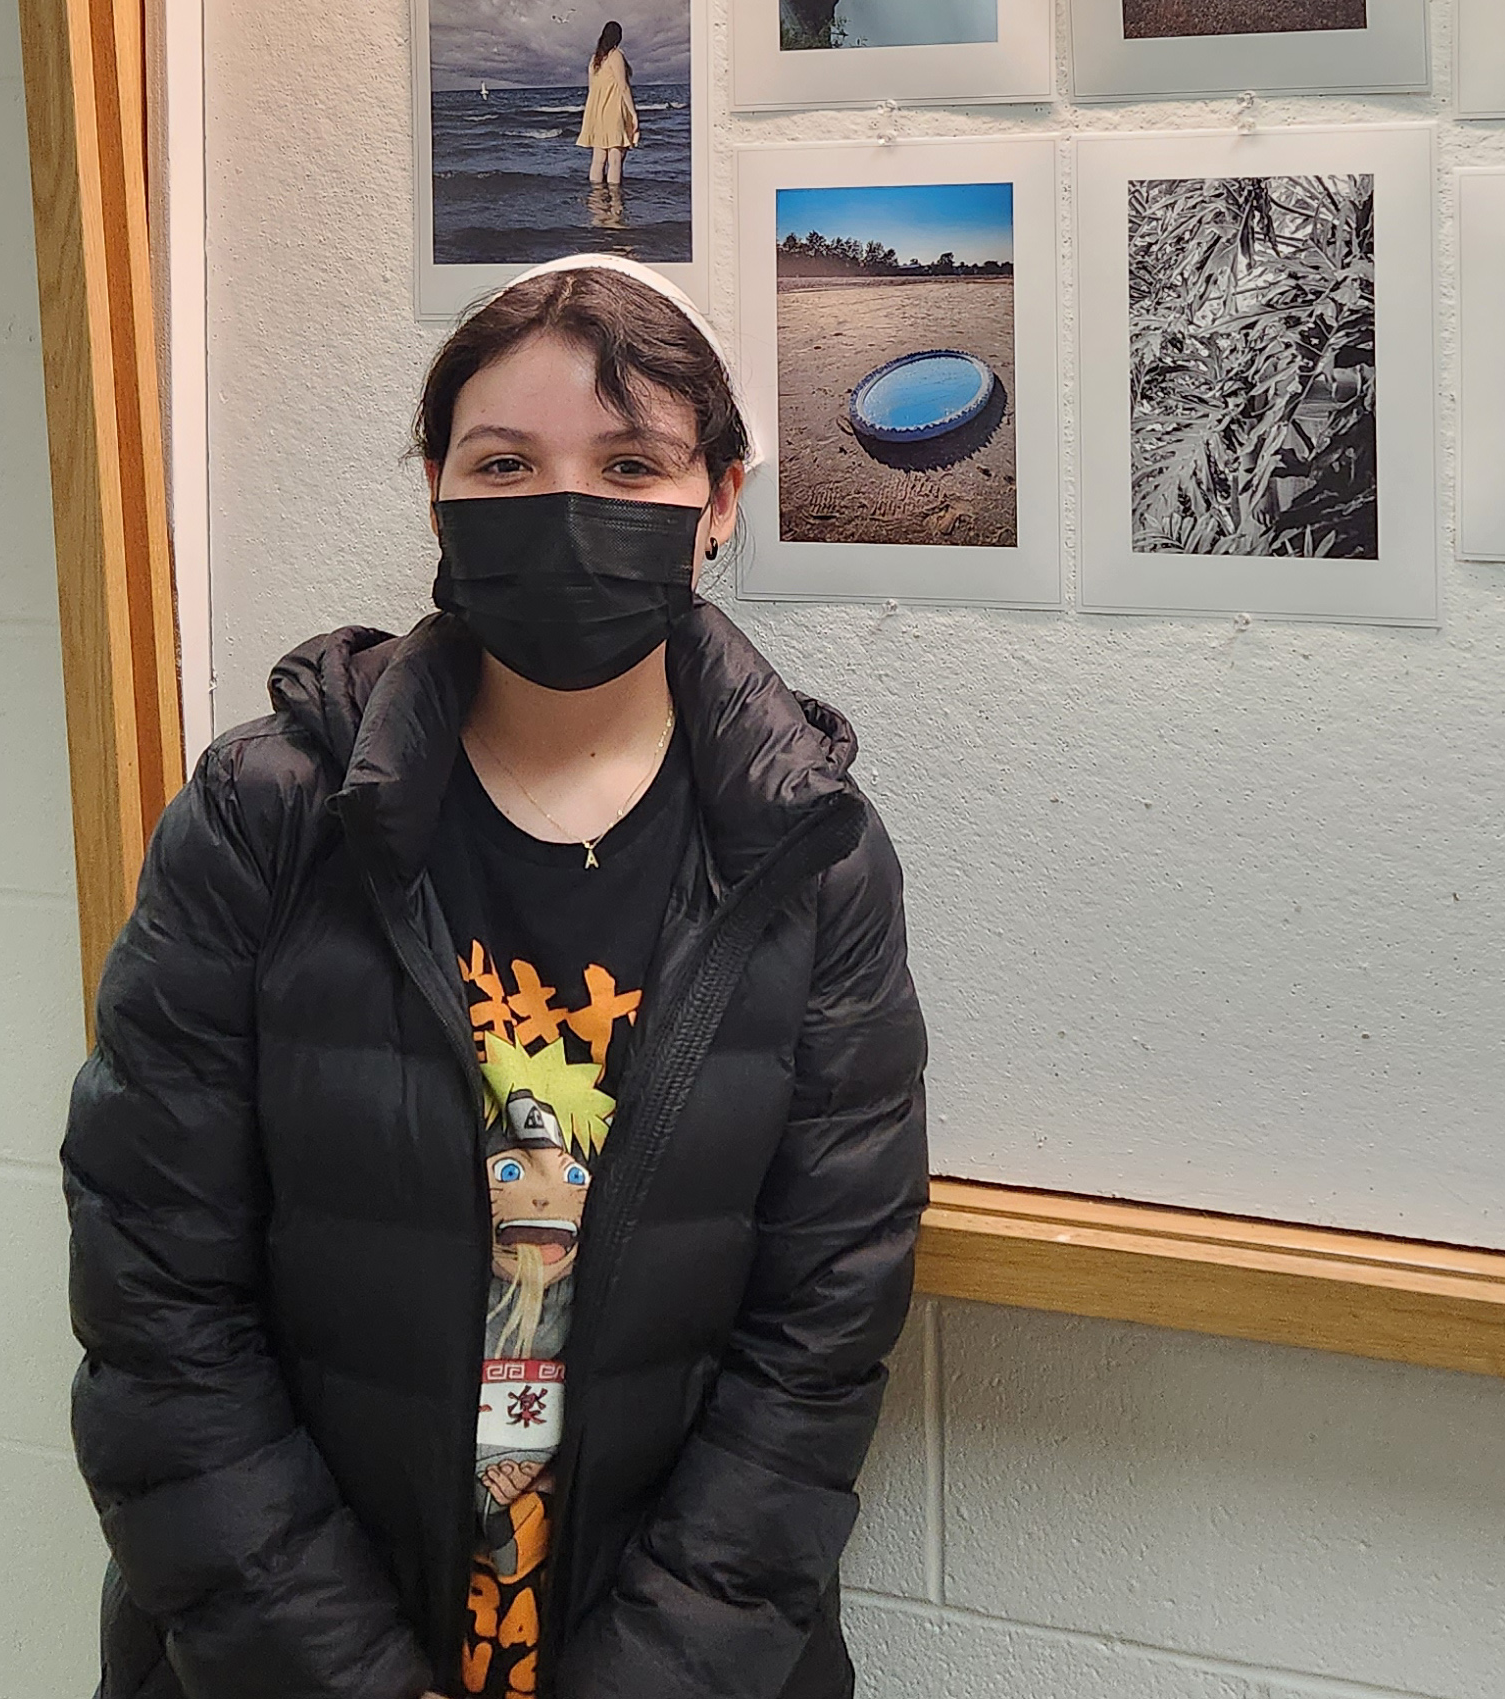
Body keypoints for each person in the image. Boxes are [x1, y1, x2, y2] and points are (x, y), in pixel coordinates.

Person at [63, 252, 928, 1699]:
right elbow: (155, 1294)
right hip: (278, 1652)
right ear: (435, 488)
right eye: (505, 461)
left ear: (716, 502)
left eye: (631, 461)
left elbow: (819, 1337)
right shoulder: (268, 812)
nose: (564, 508)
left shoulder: (811, 854)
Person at [576, 20, 639, 188]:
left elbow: (592, 89)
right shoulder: (615, 55)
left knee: (598, 159)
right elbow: (623, 86)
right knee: (615, 159)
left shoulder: (595, 60)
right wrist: (633, 114)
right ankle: (615, 202)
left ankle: (596, 202)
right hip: (613, 111)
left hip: (597, 112)